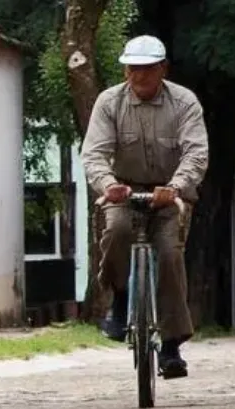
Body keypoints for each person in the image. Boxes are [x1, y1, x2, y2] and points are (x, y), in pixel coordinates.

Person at [80, 35, 208, 380]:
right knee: (117, 231)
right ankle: (121, 300)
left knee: (169, 254)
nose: (139, 77)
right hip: (124, 190)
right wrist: (109, 185)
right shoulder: (109, 102)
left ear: (162, 69)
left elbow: (196, 153)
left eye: (147, 69)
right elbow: (93, 153)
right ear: (125, 70)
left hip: (170, 194)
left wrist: (176, 187)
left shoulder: (184, 103)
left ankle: (171, 347)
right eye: (133, 69)